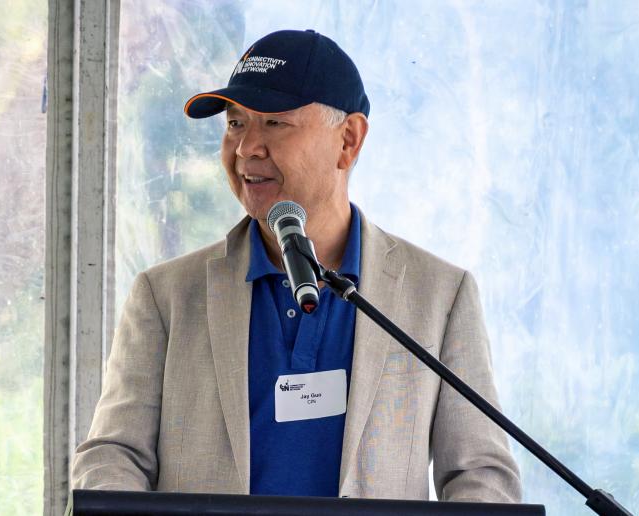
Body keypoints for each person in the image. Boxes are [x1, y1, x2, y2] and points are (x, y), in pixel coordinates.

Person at [72, 29, 521, 502]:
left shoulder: (439, 296)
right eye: (235, 124)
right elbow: (113, 455)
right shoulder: (165, 297)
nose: (246, 148)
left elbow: (481, 475)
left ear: (348, 140)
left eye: (274, 124)